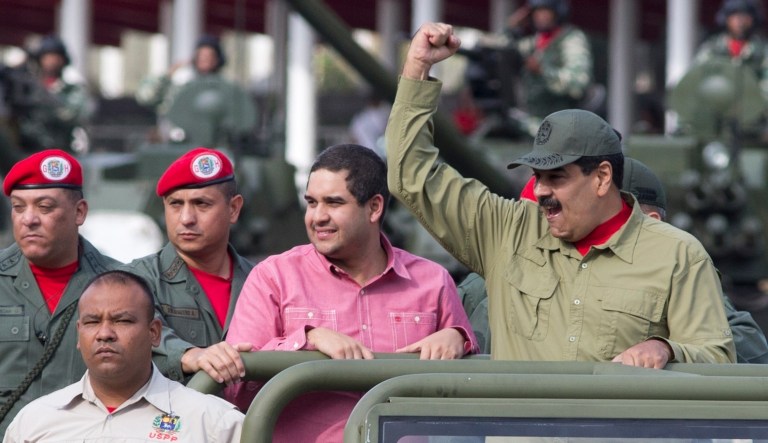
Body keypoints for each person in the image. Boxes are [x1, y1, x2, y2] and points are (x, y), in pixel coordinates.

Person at [387, 22, 736, 368]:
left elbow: (718, 359)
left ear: (601, 178)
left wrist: (666, 350)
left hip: (616, 427)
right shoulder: (506, 230)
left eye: (556, 177)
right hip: (517, 426)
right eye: (537, 176)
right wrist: (418, 66)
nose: (540, 191)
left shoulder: (677, 255)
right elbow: (410, 176)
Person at [225, 143, 478, 442]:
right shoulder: (273, 277)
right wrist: (306, 340)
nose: (317, 216)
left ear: (374, 207)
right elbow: (235, 389)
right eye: (311, 202)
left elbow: (468, 399)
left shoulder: (433, 281)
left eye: (333, 203)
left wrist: (459, 340)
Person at [459, 157, 768, 363]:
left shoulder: (676, 266)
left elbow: (743, 342)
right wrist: (460, 336)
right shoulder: (512, 261)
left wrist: (664, 346)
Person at [3, 270, 244, 442]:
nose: (104, 333)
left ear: (154, 333)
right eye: (92, 322)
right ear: (78, 335)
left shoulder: (214, 424)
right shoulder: (34, 423)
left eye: (122, 321)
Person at [0, 149, 122, 433]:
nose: (28, 219)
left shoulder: (117, 284)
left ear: (79, 212)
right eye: (19, 207)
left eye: (44, 207)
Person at [128, 147, 254, 384]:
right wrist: (190, 355)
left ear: (234, 208)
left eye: (202, 204)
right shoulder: (136, 281)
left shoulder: (263, 282)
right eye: (175, 204)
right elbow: (131, 336)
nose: (186, 218)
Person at [135, 35, 257, 148]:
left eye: (210, 56)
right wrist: (168, 75)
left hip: (223, 147)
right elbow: (147, 97)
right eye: (201, 56)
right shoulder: (183, 89)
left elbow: (243, 119)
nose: (205, 60)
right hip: (186, 146)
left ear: (218, 59)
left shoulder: (230, 90)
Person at [505, 0, 593, 129]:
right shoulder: (533, 42)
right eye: (536, 11)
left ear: (558, 12)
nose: (540, 16)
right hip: (533, 122)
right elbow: (500, 48)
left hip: (563, 124)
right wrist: (511, 28)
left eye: (545, 11)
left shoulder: (571, 40)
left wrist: (542, 71)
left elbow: (577, 84)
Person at [15, 35, 92, 153]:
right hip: (26, 149)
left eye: (55, 57)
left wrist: (47, 100)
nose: (51, 61)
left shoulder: (70, 87)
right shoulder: (27, 85)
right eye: (47, 57)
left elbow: (75, 115)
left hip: (58, 148)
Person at [693, 0, 768, 98]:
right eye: (735, 15)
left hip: (753, 106)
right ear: (726, 18)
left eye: (745, 15)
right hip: (719, 105)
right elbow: (696, 79)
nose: (740, 21)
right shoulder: (713, 49)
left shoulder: (762, 51)